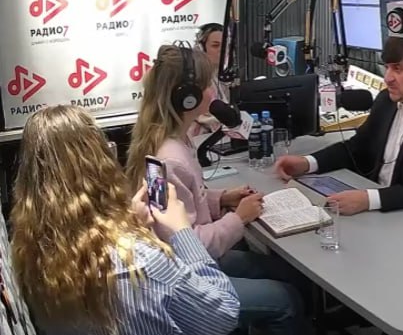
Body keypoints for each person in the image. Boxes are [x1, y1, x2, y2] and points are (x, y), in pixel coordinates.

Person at [10, 105, 240, 335]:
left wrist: (130, 225)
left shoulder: (28, 253)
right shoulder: (142, 262)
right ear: (101, 163)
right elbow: (224, 314)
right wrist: (182, 231)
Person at [126, 43, 304, 335]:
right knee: (287, 300)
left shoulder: (171, 140)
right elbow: (185, 242)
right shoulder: (170, 158)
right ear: (188, 97)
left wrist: (220, 199)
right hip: (185, 276)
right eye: (208, 84)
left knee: (287, 272)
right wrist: (239, 218)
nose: (213, 91)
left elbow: (180, 204)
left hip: (186, 262)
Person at [276, 36, 403, 229]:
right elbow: (357, 148)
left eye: (397, 69)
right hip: (391, 216)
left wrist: (368, 199)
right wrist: (307, 163)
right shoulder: (386, 100)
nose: (388, 78)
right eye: (387, 67)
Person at [192, 22, 231, 134]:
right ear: (201, 48)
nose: (222, 50)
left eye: (225, 45)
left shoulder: (221, 77)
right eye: (215, 45)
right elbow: (202, 117)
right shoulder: (196, 79)